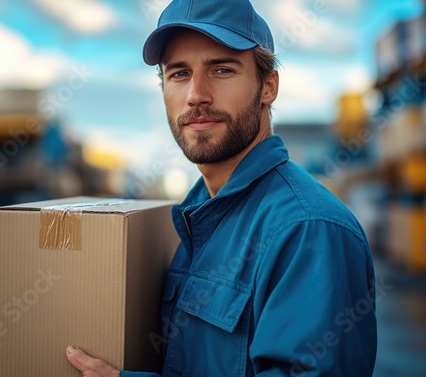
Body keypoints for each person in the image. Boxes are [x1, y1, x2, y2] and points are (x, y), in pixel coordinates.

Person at [66, 0, 378, 375]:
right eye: (179, 74)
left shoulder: (308, 229)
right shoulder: (200, 216)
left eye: (222, 69)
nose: (197, 94)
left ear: (268, 86)